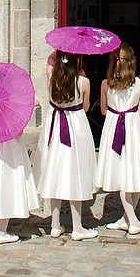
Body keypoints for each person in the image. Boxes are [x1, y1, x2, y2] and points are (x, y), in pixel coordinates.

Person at [94, 43, 140, 234]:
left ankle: (126, 219)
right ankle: (134, 222)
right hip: (132, 128)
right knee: (131, 174)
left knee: (124, 176)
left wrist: (116, 108)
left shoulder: (106, 84)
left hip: (114, 126)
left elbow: (103, 111)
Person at [38, 49, 97, 239]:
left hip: (55, 129)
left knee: (55, 172)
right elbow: (86, 107)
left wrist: (59, 49)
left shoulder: (51, 79)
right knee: (76, 173)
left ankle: (55, 225)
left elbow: (49, 61)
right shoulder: (84, 82)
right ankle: (77, 227)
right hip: (76, 129)